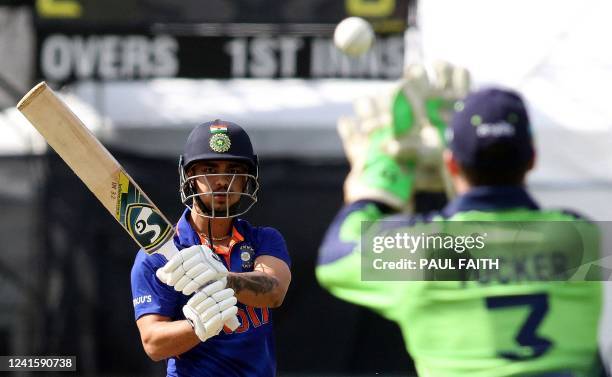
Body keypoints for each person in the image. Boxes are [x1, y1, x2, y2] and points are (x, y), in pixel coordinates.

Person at [317, 65, 603, 376]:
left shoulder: (421, 251)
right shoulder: (581, 237)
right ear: (532, 158)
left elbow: (336, 257)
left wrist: (376, 184)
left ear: (452, 163)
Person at [130, 120, 292, 377]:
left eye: (234, 170)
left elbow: (275, 291)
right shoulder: (159, 256)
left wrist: (222, 280)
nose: (222, 181)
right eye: (209, 169)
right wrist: (199, 324)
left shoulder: (263, 240)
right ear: (190, 178)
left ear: (247, 180)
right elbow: (153, 342)